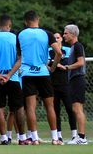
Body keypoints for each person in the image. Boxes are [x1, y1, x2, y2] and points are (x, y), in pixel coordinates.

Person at [17, 10, 63, 145]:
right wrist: (53, 67)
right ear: (39, 19)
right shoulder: (47, 34)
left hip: (27, 73)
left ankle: (35, 138)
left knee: (30, 107)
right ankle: (55, 138)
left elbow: (19, 55)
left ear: (26, 22)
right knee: (50, 106)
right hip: (43, 72)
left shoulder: (20, 34)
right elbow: (59, 52)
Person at [0, 14, 27, 145]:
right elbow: (20, 60)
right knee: (18, 107)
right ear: (10, 25)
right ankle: (22, 138)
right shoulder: (16, 38)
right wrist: (9, 75)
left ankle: (3, 138)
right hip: (13, 78)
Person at [48, 32, 77, 142]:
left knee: (70, 109)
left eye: (58, 37)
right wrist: (56, 64)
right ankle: (58, 135)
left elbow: (69, 62)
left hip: (66, 84)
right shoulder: (49, 51)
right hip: (53, 84)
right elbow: (47, 63)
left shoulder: (68, 50)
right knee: (56, 110)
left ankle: (74, 134)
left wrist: (57, 63)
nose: (56, 39)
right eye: (54, 38)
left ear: (61, 39)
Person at [63, 25, 88, 145]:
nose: (64, 35)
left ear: (73, 34)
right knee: (76, 108)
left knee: (77, 109)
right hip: (74, 80)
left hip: (78, 79)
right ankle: (80, 136)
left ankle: (82, 138)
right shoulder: (73, 47)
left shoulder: (77, 46)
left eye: (66, 33)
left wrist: (68, 67)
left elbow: (80, 62)